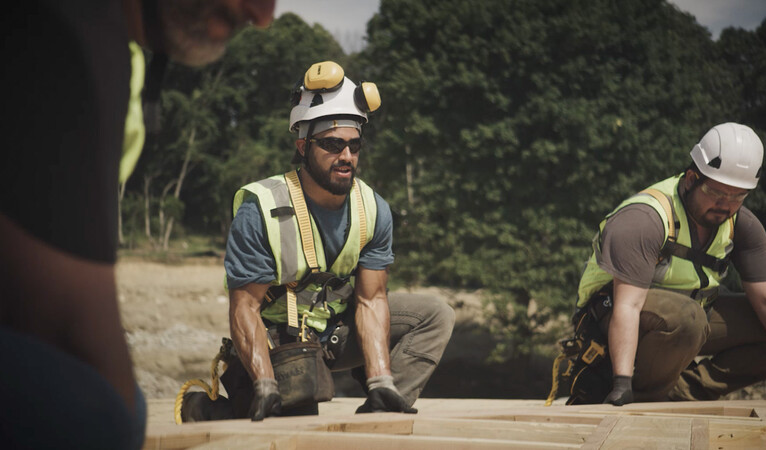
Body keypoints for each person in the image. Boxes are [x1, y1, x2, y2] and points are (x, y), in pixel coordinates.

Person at [1, 0, 275, 447]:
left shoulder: (108, 46)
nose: (263, 17)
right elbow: (73, 326)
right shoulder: (71, 38)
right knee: (101, 413)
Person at [181, 61, 455, 421]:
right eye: (332, 144)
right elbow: (245, 307)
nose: (346, 157)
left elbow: (371, 300)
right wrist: (265, 382)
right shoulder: (261, 208)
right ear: (303, 145)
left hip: (338, 331)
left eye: (354, 146)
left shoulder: (373, 208)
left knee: (435, 315)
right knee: (293, 414)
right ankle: (212, 408)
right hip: (282, 342)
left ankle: (381, 407)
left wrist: (381, 379)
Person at [572, 122, 766, 406]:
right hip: (613, 318)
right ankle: (636, 392)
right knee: (687, 317)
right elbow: (627, 306)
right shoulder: (644, 219)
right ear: (692, 178)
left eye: (737, 196)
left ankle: (678, 393)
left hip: (688, 319)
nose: (725, 205)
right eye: (717, 193)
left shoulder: (743, 225)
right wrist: (622, 385)